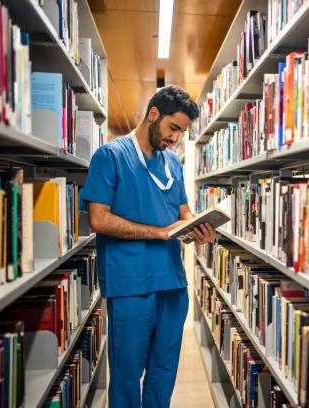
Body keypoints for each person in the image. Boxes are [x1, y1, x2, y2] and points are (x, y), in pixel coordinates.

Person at [80, 85, 215, 407]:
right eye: (173, 128)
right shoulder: (110, 156)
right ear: (154, 114)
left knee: (164, 369)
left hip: (172, 281)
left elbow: (183, 212)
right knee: (127, 373)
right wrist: (159, 233)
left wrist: (199, 225)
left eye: (181, 132)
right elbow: (98, 220)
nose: (175, 139)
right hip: (131, 283)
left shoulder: (174, 164)